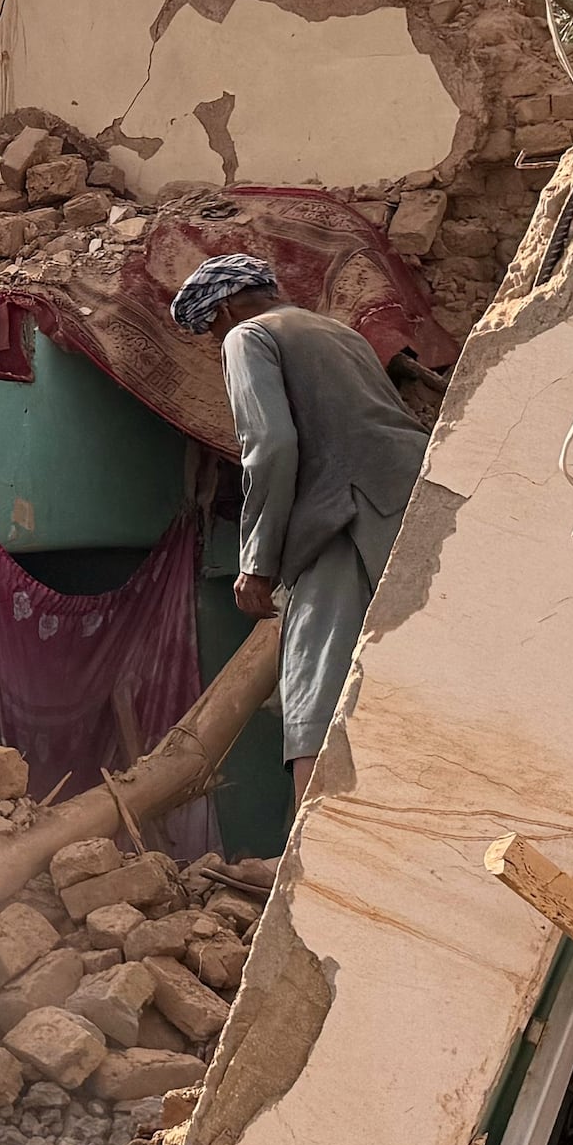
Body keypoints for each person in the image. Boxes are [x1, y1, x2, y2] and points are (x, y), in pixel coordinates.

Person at [173, 253, 429, 803]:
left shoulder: (248, 337)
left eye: (210, 330)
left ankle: (307, 848)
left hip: (346, 519)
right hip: (415, 507)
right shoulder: (341, 334)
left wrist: (256, 562)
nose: (216, 341)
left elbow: (269, 446)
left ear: (223, 310)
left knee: (314, 688)